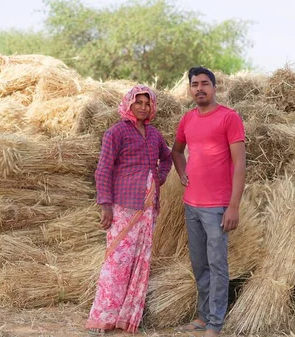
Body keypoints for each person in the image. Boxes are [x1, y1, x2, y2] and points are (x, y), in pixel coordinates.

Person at [86, 84, 173, 335]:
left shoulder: (154, 135)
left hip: (148, 209)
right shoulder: (116, 133)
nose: (143, 107)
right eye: (139, 102)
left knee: (140, 262)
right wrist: (104, 204)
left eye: (147, 103)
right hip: (124, 206)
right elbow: (103, 169)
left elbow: (166, 158)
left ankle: (126, 318)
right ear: (129, 104)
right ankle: (102, 318)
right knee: (117, 262)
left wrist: (160, 176)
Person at [171, 67, 246, 337]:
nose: (199, 88)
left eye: (205, 83)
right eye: (194, 84)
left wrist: (233, 206)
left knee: (217, 264)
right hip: (191, 204)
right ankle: (203, 317)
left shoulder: (229, 117)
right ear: (190, 89)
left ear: (214, 87)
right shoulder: (188, 119)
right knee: (199, 263)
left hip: (217, 208)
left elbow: (240, 164)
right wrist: (182, 174)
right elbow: (176, 151)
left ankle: (215, 323)